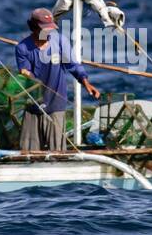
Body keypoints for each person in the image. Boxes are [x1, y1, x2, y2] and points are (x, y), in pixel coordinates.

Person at [15, 8, 100, 151]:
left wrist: (86, 83)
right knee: (29, 151)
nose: (48, 32)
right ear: (33, 27)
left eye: (51, 29)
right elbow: (25, 71)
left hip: (56, 104)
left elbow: (73, 65)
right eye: (44, 29)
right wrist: (27, 75)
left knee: (58, 150)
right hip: (32, 105)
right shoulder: (22, 48)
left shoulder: (60, 41)